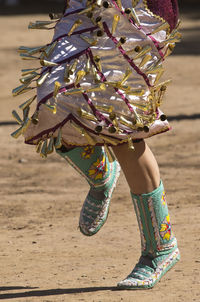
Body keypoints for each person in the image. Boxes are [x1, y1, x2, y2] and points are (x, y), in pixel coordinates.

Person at [12, 0, 181, 289]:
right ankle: (101, 174)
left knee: (122, 130)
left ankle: (160, 247)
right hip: (83, 6)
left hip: (136, 11)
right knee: (52, 100)